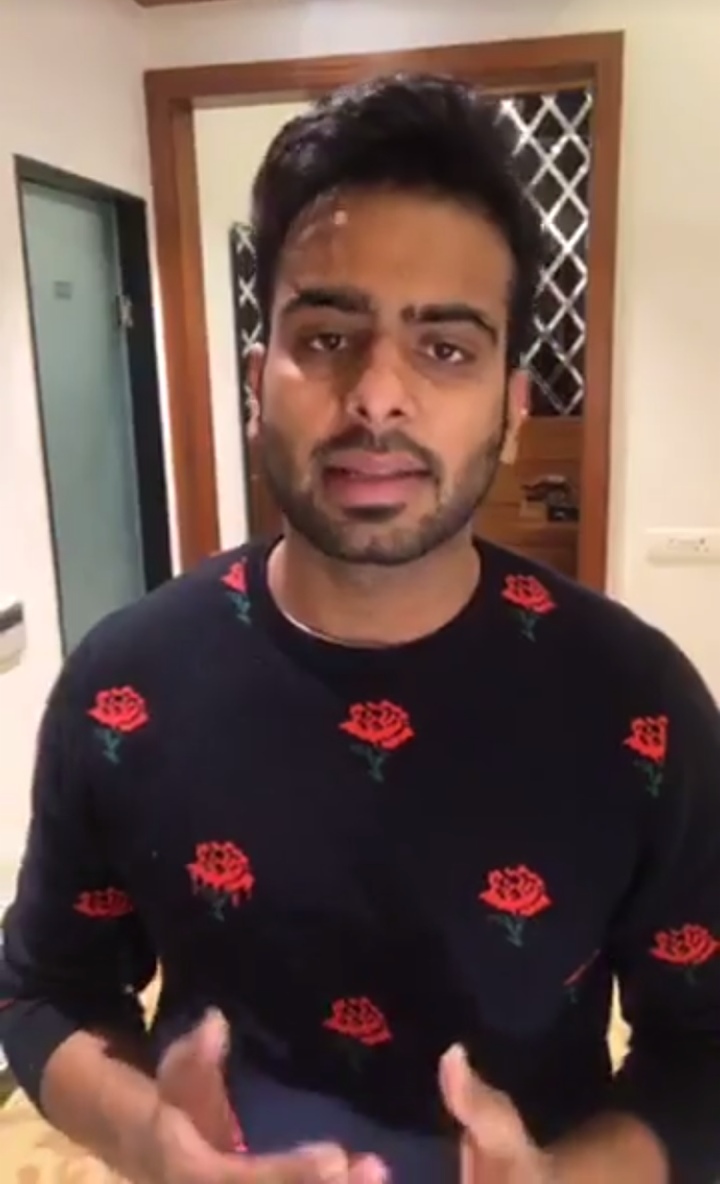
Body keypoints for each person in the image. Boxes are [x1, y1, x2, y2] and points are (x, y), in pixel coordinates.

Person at [1, 73, 719, 1184]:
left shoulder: (639, 703)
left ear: (513, 407)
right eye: (329, 334)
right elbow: (44, 989)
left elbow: (704, 1046)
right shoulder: (124, 682)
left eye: (446, 349)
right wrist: (153, 1140)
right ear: (258, 382)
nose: (379, 396)